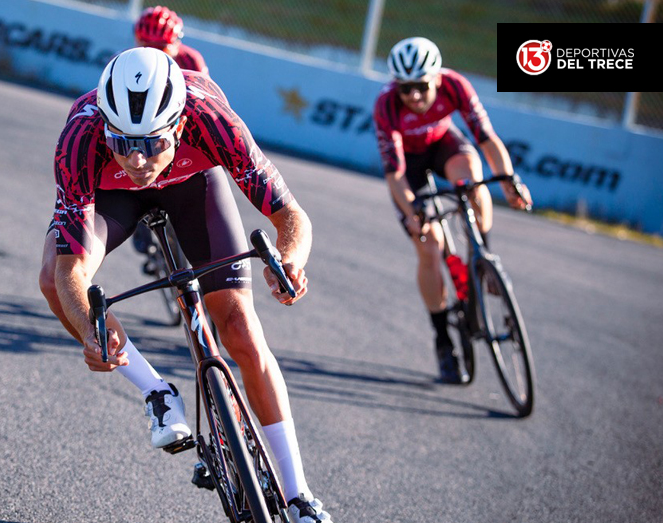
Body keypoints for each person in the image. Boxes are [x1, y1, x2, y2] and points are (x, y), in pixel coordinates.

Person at [38, 48, 332, 522]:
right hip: (113, 198)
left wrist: (291, 261)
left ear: (177, 126)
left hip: (194, 182)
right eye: (122, 141)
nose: (136, 158)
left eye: (151, 142)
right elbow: (71, 271)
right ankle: (157, 392)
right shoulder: (81, 134)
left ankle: (298, 494)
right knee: (52, 278)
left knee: (240, 329)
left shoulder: (211, 118)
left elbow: (290, 216)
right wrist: (93, 335)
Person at [372, 37, 533, 384]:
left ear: (436, 78)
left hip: (444, 145)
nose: (413, 96)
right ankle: (444, 340)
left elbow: (486, 138)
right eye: (405, 88)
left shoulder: (455, 85)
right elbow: (395, 174)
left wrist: (508, 180)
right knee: (428, 245)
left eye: (420, 86)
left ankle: (481, 254)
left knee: (473, 178)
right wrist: (414, 210)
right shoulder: (386, 105)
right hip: (409, 168)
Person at [129, 5, 209, 258]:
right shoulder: (126, 61)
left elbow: (205, 101)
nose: (153, 54)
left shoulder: (190, 60)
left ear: (176, 43)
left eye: (161, 48)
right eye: (147, 46)